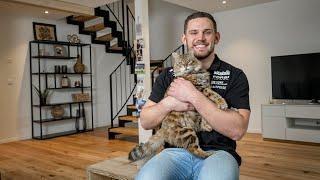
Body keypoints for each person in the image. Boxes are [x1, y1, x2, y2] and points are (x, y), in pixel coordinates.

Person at [136, 11, 250, 180]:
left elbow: (237, 130)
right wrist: (170, 103)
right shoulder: (167, 75)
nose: (201, 38)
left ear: (216, 37)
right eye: (194, 32)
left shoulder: (235, 75)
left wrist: (193, 95)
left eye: (207, 32)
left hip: (219, 153)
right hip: (174, 151)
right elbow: (145, 121)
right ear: (184, 38)